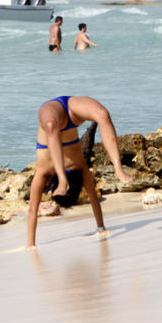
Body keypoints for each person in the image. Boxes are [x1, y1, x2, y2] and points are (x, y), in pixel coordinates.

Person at [27, 96, 134, 248]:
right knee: (102, 113)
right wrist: (101, 228)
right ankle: (117, 167)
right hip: (71, 115)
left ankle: (118, 168)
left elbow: (33, 210)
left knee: (50, 125)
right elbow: (93, 198)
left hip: (53, 110)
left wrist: (30, 244)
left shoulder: (43, 172)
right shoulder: (80, 168)